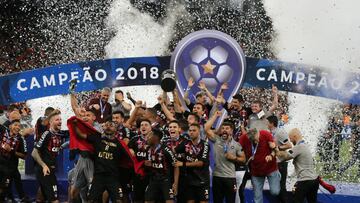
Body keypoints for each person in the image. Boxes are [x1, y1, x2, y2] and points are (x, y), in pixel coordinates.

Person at [71, 117, 130, 203]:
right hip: (99, 177)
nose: (108, 127)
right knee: (91, 200)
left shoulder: (120, 144)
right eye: (106, 125)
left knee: (118, 201)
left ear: (116, 129)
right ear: (103, 127)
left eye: (111, 125)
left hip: (113, 178)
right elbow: (80, 135)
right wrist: (75, 124)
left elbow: (128, 158)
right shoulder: (97, 138)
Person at [205, 110, 246, 203]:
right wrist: (215, 116)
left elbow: (243, 159)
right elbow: (206, 129)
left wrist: (234, 158)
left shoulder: (236, 145)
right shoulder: (216, 139)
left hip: (230, 178)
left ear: (231, 130)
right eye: (223, 128)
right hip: (217, 177)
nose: (224, 130)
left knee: (230, 201)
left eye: (227, 128)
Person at [275, 128, 319, 203]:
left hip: (305, 181)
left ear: (295, 136)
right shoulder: (304, 145)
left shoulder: (299, 147)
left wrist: (275, 149)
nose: (291, 141)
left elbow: (285, 156)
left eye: (291, 138)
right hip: (314, 180)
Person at [31, 110, 65, 203]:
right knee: (54, 200)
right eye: (57, 119)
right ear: (50, 122)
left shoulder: (59, 134)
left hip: (50, 169)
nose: (60, 121)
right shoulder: (47, 134)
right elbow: (34, 153)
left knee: (43, 196)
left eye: (60, 119)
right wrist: (44, 165)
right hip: (44, 170)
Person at [175, 123, 210, 203]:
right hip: (190, 181)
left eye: (194, 130)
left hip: (202, 181)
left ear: (199, 132)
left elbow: (200, 163)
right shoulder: (185, 143)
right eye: (190, 131)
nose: (191, 132)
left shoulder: (205, 144)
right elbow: (174, 151)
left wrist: (183, 164)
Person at [144, 128, 179, 203]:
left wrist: (175, 184)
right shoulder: (148, 149)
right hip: (153, 180)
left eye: (150, 135)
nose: (147, 137)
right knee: (147, 201)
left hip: (165, 180)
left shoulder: (166, 150)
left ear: (155, 138)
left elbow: (176, 166)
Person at [246, 128, 280, 203]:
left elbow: (275, 149)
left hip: (271, 168)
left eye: (256, 139)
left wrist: (271, 155)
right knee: (257, 199)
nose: (255, 141)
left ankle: (278, 175)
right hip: (256, 172)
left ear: (258, 133)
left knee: (275, 192)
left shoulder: (265, 134)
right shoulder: (246, 140)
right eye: (253, 141)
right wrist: (247, 159)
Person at [267, 115, 292, 203]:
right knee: (275, 188)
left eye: (267, 122)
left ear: (272, 123)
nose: (265, 124)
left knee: (281, 187)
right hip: (273, 163)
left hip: (281, 163)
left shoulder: (280, 132)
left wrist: (277, 147)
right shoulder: (269, 132)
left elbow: (289, 145)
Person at [0, 120, 27, 202]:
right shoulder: (3, 130)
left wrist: (11, 150)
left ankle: (21, 197)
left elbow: (24, 156)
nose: (18, 127)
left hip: (9, 168)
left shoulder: (21, 139)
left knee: (3, 189)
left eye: (19, 126)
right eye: (16, 125)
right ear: (10, 126)